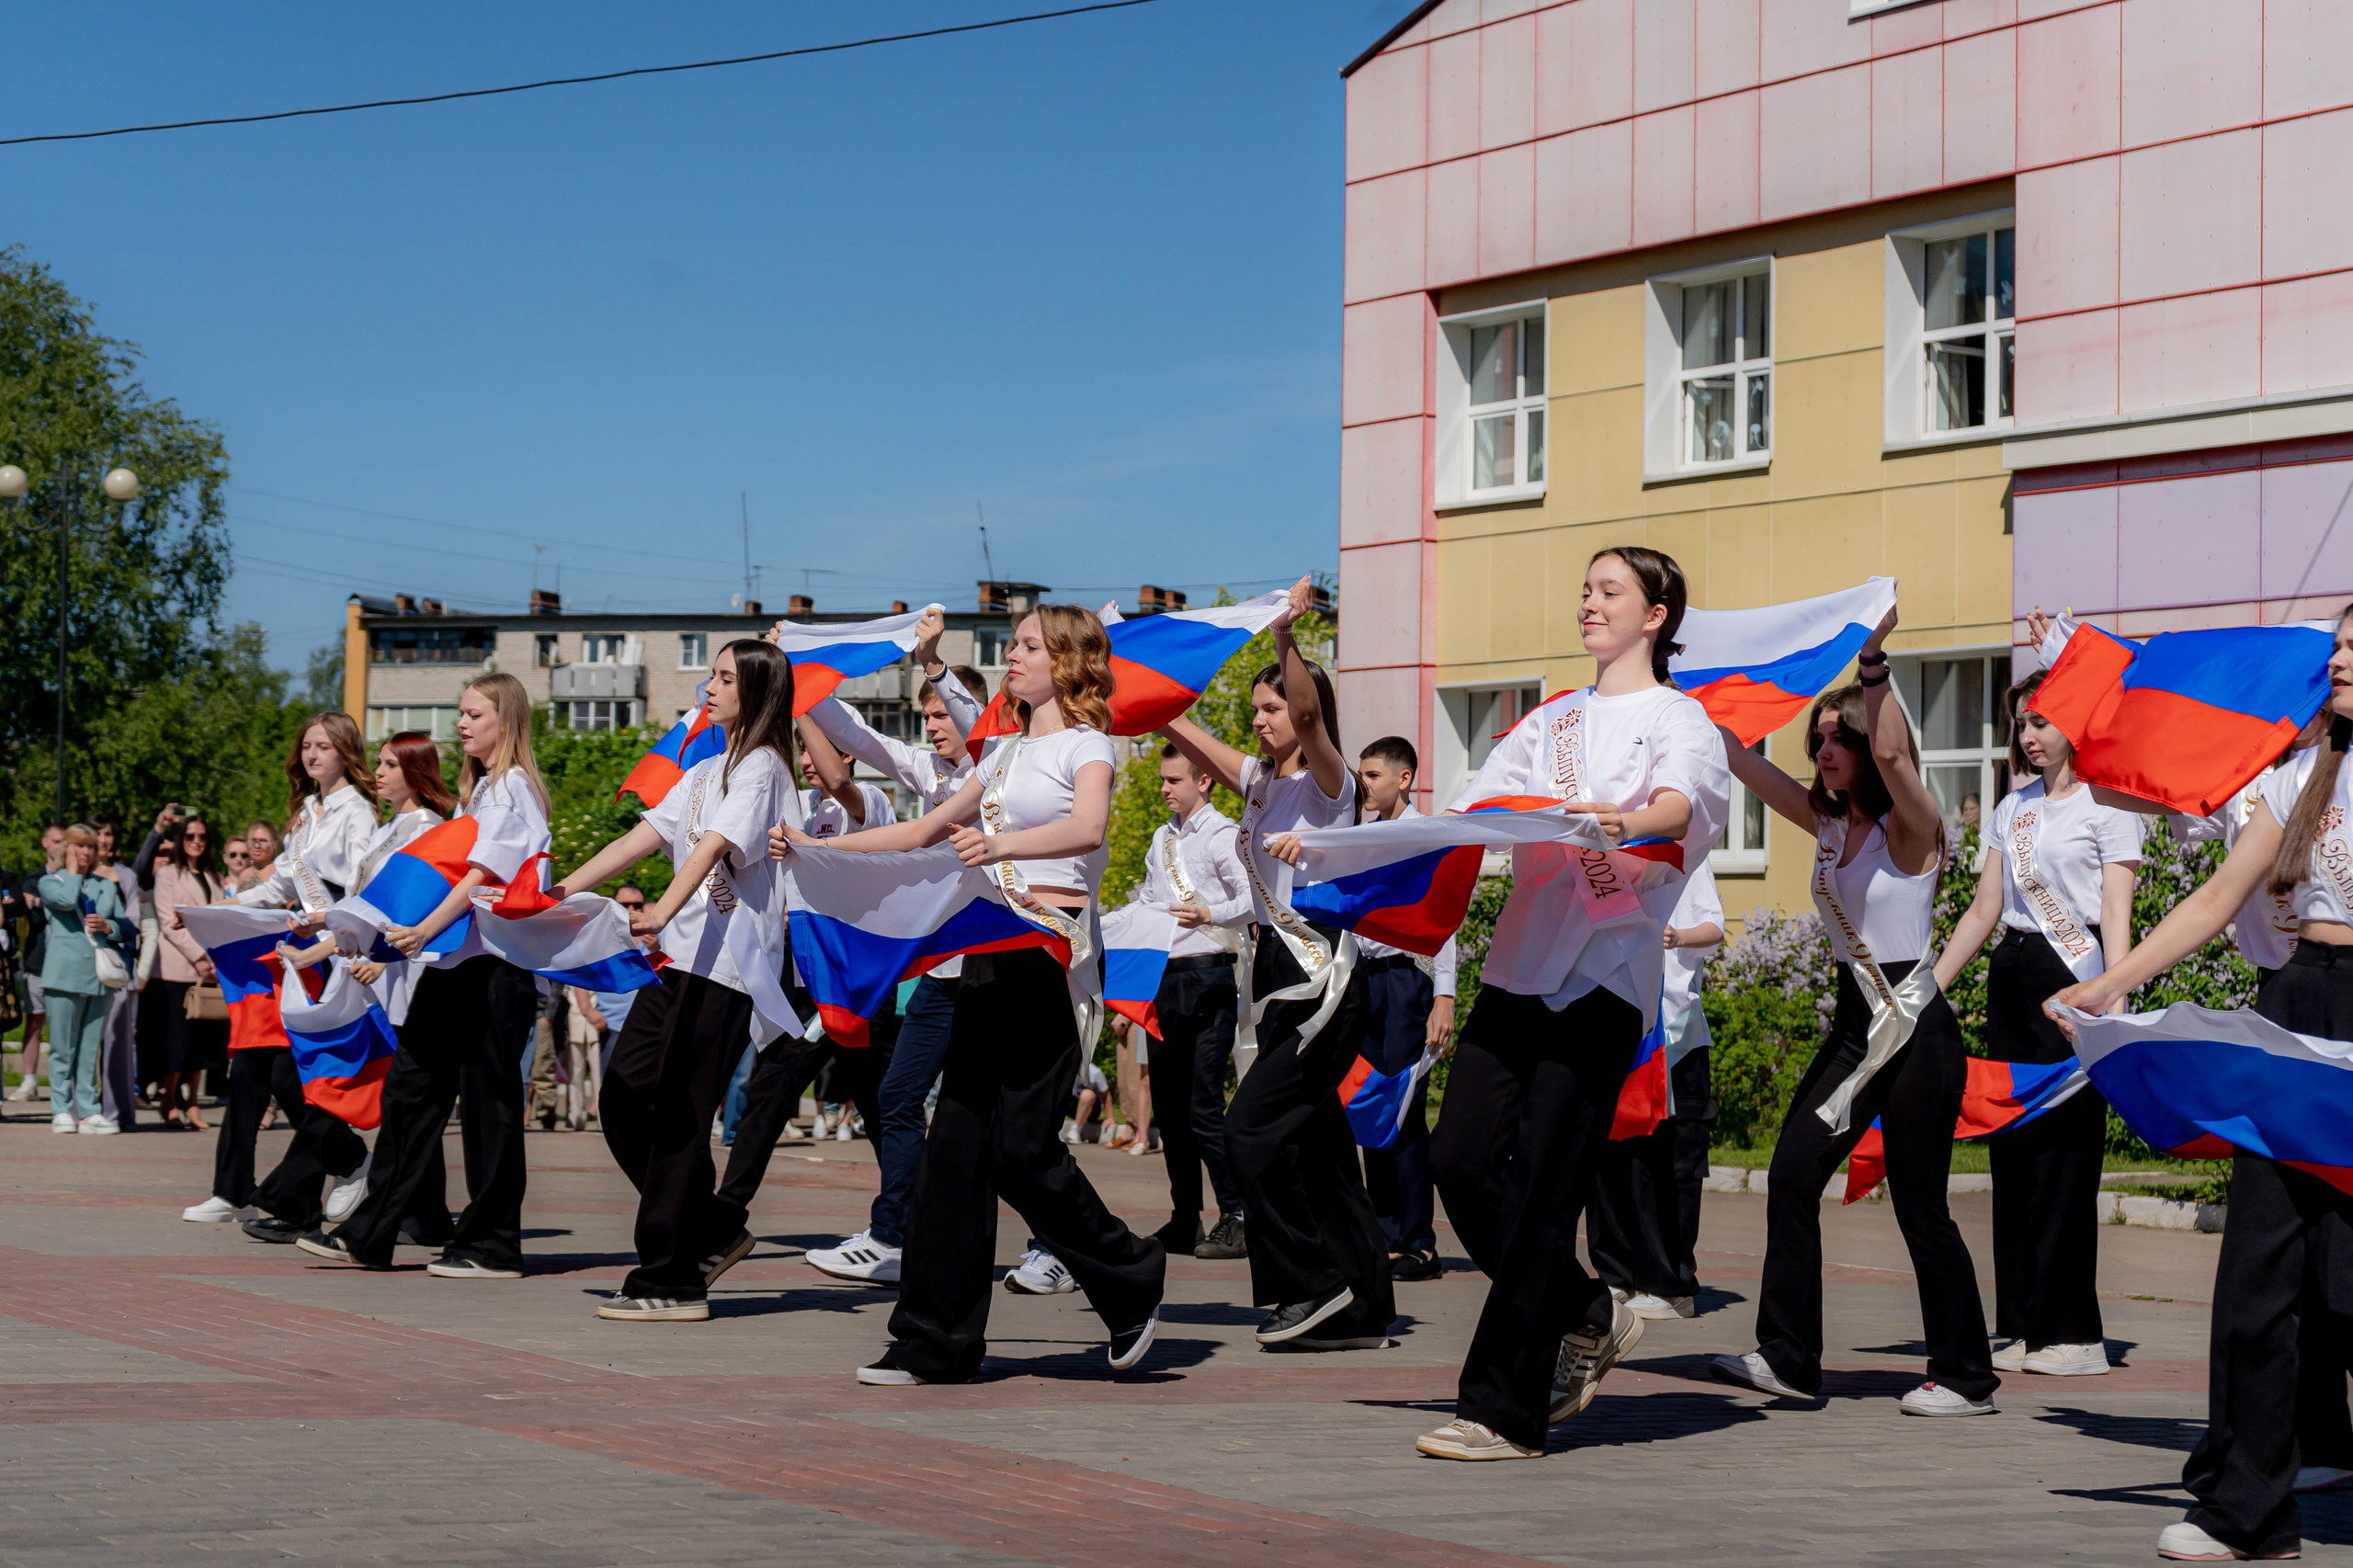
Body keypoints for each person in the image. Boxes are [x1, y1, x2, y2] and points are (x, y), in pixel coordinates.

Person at [775, 602, 1164, 1383]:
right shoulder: (1005, 753)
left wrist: (1000, 843)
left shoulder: (1087, 745)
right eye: (1012, 644)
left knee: (1021, 1152)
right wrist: (820, 849)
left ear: (1068, 661)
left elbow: (1088, 828)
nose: (1012, 656)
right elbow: (921, 832)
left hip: (1046, 955)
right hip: (987, 957)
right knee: (954, 1148)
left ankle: (1130, 1274)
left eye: (1027, 646)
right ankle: (934, 1344)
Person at [2049, 602, 2353, 1562]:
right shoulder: (2305, 773)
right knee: (2259, 1272)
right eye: (2341, 644)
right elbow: (2218, 896)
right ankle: (2248, 1512)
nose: (2339, 659)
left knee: (2344, 1284)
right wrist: (2109, 984)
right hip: (2299, 1010)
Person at [1416, 547, 1728, 1460]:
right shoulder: (1551, 720)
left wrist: (1621, 820)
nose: (1589, 603)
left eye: (1609, 591)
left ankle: (1501, 1413)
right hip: (1519, 967)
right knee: (1459, 1157)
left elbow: (1679, 807)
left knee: (1548, 1187)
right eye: (1585, 589)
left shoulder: (1679, 718)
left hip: (1604, 975)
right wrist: (1359, 852)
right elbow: (1474, 809)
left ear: (1656, 614)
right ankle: (1587, 1307)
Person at [1707, 595, 1998, 1420]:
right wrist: (1686, 693)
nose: (1825, 749)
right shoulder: (1829, 824)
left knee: (1920, 1205)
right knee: (1791, 1174)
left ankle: (1965, 1377)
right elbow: (1744, 764)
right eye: (1820, 738)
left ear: (1869, 747)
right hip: (1854, 1024)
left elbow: (1900, 756)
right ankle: (1789, 1359)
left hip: (1915, 1029)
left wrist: (1872, 663)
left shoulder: (1914, 829)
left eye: (1842, 737)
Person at [1162, 575, 1393, 1355]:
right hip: (1272, 978)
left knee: (1249, 1130)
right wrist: (1130, 674)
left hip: (1321, 976)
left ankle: (1313, 1284)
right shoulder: (1260, 782)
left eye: (1272, 707)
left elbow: (1311, 716)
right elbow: (1180, 729)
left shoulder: (1328, 782)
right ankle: (1363, 1307)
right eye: (1257, 709)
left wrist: (1285, 637)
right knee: (1321, 1149)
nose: (1261, 719)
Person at [556, 640, 800, 1322]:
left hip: (727, 969)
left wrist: (662, 909)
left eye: (724, 678)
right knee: (622, 1097)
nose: (709, 688)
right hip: (677, 965)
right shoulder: (703, 770)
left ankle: (671, 1279)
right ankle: (712, 1229)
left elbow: (717, 845)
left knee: (680, 1117)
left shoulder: (763, 767)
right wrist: (558, 892)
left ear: (757, 693)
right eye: (710, 676)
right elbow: (638, 839)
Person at [298, 674, 551, 1278]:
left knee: (488, 1107)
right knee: (410, 1092)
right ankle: (369, 1233)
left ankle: (493, 1246)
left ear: (506, 721)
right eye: (461, 713)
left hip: (495, 968)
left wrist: (421, 930)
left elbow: (482, 875)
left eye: (474, 714)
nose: (462, 723)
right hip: (455, 963)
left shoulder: (512, 787)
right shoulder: (481, 790)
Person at [1934, 669, 2141, 1377]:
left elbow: (2115, 914)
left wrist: (2115, 1004)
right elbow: (1984, 908)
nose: (2027, 735)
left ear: (2075, 724)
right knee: (2014, 1156)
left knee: (2066, 1158)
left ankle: (2074, 1333)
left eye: (2041, 721)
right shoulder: (2013, 807)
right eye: (2021, 722)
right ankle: (2021, 1324)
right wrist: (1928, 989)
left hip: (2074, 979)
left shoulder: (2108, 804)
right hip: (2013, 976)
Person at [801, 624, 986, 1286]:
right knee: (900, 1096)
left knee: (1005, 1122)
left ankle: (1054, 1246)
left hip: (998, 967)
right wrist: (800, 678)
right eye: (925, 716)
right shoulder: (929, 772)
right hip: (942, 972)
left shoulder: (999, 767)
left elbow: (971, 727)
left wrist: (933, 663)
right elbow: (858, 736)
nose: (931, 726)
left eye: (941, 715)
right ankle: (893, 1237)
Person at [177, 714, 382, 1229]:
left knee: (296, 1076)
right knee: (277, 1073)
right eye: (307, 746)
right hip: (306, 955)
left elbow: (361, 887)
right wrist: (218, 911)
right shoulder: (308, 812)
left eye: (324, 746)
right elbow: (280, 886)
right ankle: (297, 1188)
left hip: (337, 952)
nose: (312, 754)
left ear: (346, 752)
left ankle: (350, 1164)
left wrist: (329, 926)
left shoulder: (357, 811)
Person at [1128, 743, 1251, 1259]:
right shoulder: (1163, 838)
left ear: (1204, 782)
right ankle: (1185, 1219)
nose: (1164, 788)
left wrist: (1208, 914)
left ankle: (1237, 1216)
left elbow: (1252, 898)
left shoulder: (1222, 834)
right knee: (1171, 1109)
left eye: (1174, 780)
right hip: (1166, 977)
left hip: (1209, 975)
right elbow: (1151, 902)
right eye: (1162, 779)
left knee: (1203, 1106)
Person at [1586, 860, 1723, 1320]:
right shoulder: (1607, 858)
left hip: (1675, 1038)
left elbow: (1714, 928)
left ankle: (1671, 1284)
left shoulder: (1688, 858)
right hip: (1616, 1027)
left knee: (1671, 1162)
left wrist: (1675, 936)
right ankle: (1616, 1275)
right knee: (1610, 1154)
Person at [1349, 736, 1457, 1283]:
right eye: (1362, 774)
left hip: (1406, 981)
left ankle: (1418, 1242)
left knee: (1404, 1106)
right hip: (1364, 980)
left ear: (1404, 778)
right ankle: (1385, 1232)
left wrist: (1444, 995)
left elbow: (1445, 919)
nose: (1364, 784)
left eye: (1373, 775)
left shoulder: (1424, 835)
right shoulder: (1361, 835)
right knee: (1371, 1103)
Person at [37, 824, 134, 1132]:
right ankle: (61, 1109)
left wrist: (108, 927)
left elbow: (125, 927)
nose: (87, 852)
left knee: (90, 1049)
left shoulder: (105, 886)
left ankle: (90, 1111)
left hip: (99, 975)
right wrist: (72, 871)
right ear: (67, 849)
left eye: (90, 847)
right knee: (62, 1048)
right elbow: (66, 901)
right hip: (63, 975)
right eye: (80, 846)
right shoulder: (49, 882)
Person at [151, 815, 228, 1132]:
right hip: (177, 968)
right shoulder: (168, 874)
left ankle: (193, 1102)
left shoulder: (214, 876)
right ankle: (169, 1098)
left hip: (211, 968)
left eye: (202, 837)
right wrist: (198, 956)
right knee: (177, 1039)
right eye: (190, 836)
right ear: (181, 840)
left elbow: (222, 918)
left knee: (202, 1040)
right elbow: (167, 922)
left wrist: (216, 959)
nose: (197, 842)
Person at [88, 818, 146, 1131]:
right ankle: (83, 1111)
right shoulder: (76, 875)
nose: (103, 840)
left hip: (116, 967)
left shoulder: (126, 876)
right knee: (84, 1042)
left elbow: (134, 923)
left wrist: (110, 928)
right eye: (97, 833)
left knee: (117, 1043)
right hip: (83, 966)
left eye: (108, 833)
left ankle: (117, 1113)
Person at [6, 825, 64, 1104]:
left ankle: (64, 1083)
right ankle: (29, 1081)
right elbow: (24, 909)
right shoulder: (32, 880)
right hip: (37, 961)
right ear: (44, 843)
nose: (60, 846)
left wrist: (40, 902)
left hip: (66, 966)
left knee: (65, 1026)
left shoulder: (72, 878)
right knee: (34, 1022)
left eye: (64, 842)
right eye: (55, 841)